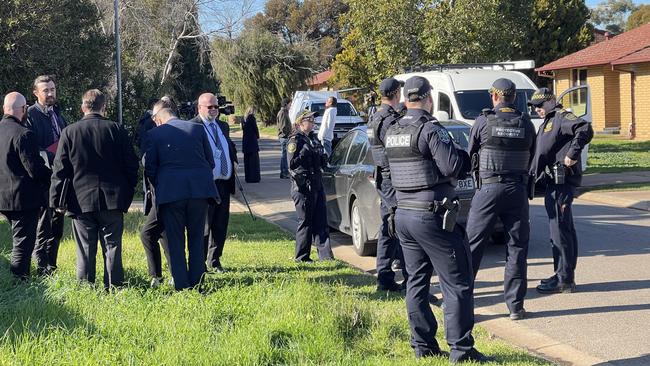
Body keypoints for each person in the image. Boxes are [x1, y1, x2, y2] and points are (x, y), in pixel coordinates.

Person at [384, 76, 491, 363]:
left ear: (407, 98)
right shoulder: (430, 128)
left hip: (403, 215)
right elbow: (452, 166)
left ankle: (423, 346)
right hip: (431, 215)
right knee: (457, 282)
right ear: (429, 97)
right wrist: (461, 153)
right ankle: (462, 350)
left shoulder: (393, 130)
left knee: (416, 281)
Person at [50, 89, 139, 289]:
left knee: (85, 248)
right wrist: (127, 191)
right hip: (113, 198)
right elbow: (132, 165)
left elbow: (60, 169)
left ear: (83, 107)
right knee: (113, 247)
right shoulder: (117, 130)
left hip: (80, 199)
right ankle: (114, 287)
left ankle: (85, 287)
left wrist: (56, 201)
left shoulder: (70, 132)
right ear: (104, 108)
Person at [465, 78, 536, 321]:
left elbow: (470, 153)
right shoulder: (526, 123)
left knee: (472, 246)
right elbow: (532, 154)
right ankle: (515, 307)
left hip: (488, 189)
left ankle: (463, 303)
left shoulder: (483, 121)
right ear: (514, 97)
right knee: (517, 248)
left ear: (494, 97)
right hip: (517, 190)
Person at [145, 100, 218, 291]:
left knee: (175, 240)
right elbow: (210, 162)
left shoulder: (154, 134)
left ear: (159, 120)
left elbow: (150, 169)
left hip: (171, 193)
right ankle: (198, 282)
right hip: (199, 192)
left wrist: (161, 186)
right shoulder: (197, 129)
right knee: (196, 237)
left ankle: (182, 285)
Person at [528, 88, 593, 294]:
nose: (537, 109)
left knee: (560, 232)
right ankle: (562, 273)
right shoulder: (549, 120)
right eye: (534, 106)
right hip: (553, 183)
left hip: (561, 183)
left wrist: (572, 155)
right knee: (561, 230)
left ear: (550, 101)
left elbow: (584, 128)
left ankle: (564, 280)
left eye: (539, 105)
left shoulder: (561, 117)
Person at [0, 92, 51, 280]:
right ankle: (19, 282)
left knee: (18, 241)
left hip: (2, 198)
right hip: (22, 200)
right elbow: (34, 169)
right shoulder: (24, 134)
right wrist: (52, 178)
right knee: (22, 244)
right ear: (23, 110)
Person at [367, 77, 409, 292]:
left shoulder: (374, 118)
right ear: (395, 94)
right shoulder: (389, 120)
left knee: (390, 227)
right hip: (393, 179)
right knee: (397, 227)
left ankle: (387, 276)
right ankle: (389, 278)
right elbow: (399, 149)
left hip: (384, 178)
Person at [190, 93, 237, 273]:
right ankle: (199, 262)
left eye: (216, 107)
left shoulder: (222, 126)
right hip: (205, 184)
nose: (214, 110)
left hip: (223, 183)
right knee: (204, 225)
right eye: (209, 107)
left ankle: (215, 259)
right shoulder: (193, 126)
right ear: (199, 108)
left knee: (220, 222)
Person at [26, 75, 67, 276]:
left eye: (52, 89)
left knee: (57, 227)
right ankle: (42, 270)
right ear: (36, 93)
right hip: (42, 180)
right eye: (46, 90)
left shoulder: (58, 115)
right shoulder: (30, 116)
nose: (50, 93)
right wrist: (53, 154)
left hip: (60, 180)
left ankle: (52, 266)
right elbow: (30, 150)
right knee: (43, 227)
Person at [287, 111, 334, 262]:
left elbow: (321, 161)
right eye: (310, 119)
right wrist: (303, 153)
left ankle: (326, 257)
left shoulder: (313, 138)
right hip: (303, 186)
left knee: (321, 220)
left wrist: (323, 157)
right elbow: (291, 164)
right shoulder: (295, 140)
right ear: (300, 122)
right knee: (306, 221)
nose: (313, 122)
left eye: (314, 119)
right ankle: (302, 257)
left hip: (316, 183)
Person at [140, 96, 176, 287]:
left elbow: (150, 165)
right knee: (164, 234)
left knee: (147, 233)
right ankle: (173, 273)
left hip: (162, 193)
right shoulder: (175, 131)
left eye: (154, 116)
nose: (152, 120)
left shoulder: (158, 135)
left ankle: (157, 275)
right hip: (165, 193)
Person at [242, 106, 261, 183]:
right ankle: (254, 177)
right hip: (252, 142)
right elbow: (255, 128)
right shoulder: (252, 118)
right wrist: (257, 136)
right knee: (254, 161)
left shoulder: (243, 118)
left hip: (246, 141)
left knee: (247, 161)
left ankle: (248, 177)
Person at [277, 98, 292, 179]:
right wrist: (289, 134)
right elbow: (283, 127)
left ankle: (284, 172)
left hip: (285, 136)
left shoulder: (285, 112)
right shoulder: (282, 113)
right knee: (285, 156)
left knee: (285, 155)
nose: (291, 106)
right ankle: (284, 172)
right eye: (290, 104)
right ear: (286, 104)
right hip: (284, 137)